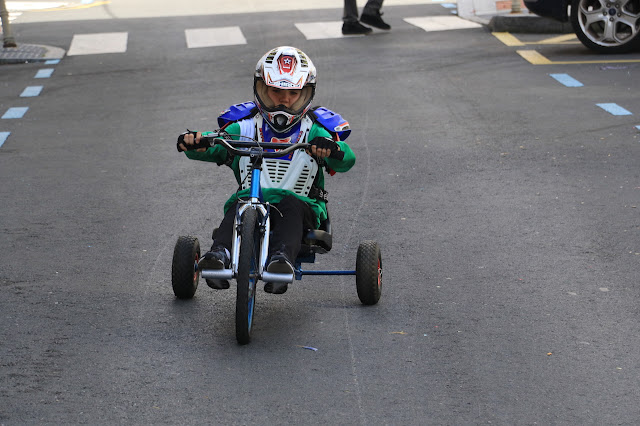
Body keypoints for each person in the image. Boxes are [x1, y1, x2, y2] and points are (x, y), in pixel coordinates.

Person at [177, 46, 356, 295]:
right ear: (261, 88)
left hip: (300, 207)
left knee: (291, 206)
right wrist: (195, 142)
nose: (284, 100)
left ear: (306, 93)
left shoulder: (314, 129)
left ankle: (281, 260)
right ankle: (220, 253)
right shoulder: (246, 126)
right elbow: (217, 142)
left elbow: (346, 159)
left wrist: (331, 148)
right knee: (239, 206)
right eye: (276, 91)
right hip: (250, 201)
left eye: (294, 93)